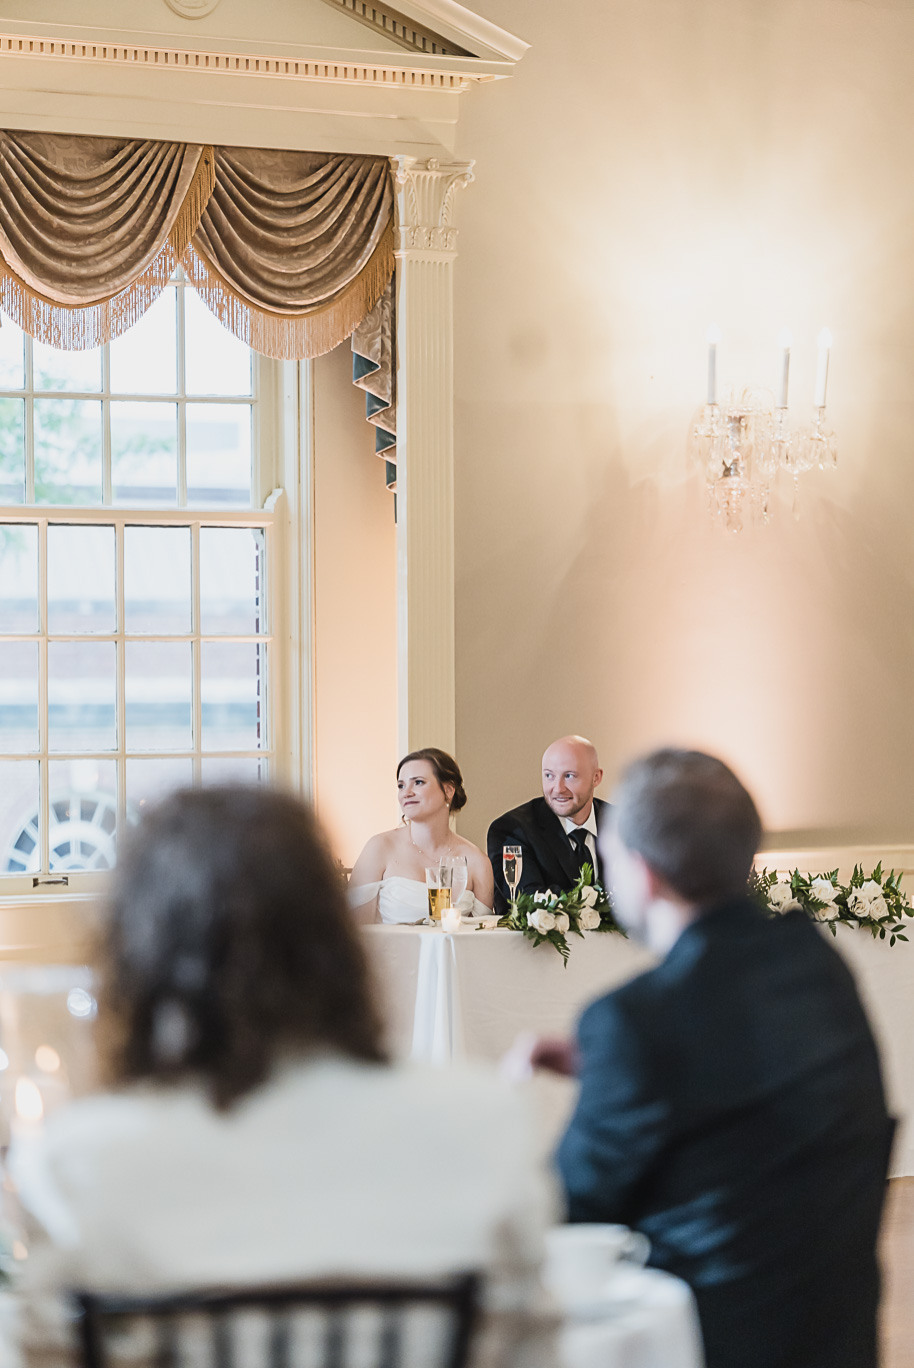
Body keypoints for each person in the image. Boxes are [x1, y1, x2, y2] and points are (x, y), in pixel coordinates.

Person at [1, 786, 550, 1368]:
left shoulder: (74, 1165)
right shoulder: (482, 1129)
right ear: (335, 939)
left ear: (138, 953)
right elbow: (527, 1347)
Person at [529, 748, 894, 1368]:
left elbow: (565, 1213)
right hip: (838, 1333)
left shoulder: (633, 1021)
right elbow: (751, 1094)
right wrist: (618, 1073)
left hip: (706, 1342)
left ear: (642, 875)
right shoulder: (818, 966)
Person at [349, 748, 494, 924]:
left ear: (448, 790)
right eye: (401, 785)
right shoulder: (379, 848)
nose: (406, 792)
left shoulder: (476, 861)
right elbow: (355, 931)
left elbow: (483, 937)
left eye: (418, 782)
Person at [487, 736, 609, 916]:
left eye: (569, 776)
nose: (558, 788)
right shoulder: (512, 829)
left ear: (596, 777)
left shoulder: (622, 825)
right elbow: (528, 901)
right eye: (549, 776)